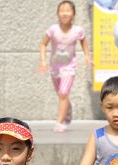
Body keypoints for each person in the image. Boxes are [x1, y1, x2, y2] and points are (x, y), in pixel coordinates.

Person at [39, 1, 91, 132]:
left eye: (68, 10)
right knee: (61, 95)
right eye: (62, 10)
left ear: (73, 13)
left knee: (63, 94)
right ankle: (68, 108)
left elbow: (83, 41)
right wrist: (43, 61)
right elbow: (43, 44)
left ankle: (59, 122)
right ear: (58, 14)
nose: (65, 13)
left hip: (69, 68)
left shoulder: (78, 30)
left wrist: (87, 55)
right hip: (55, 68)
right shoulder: (53, 29)